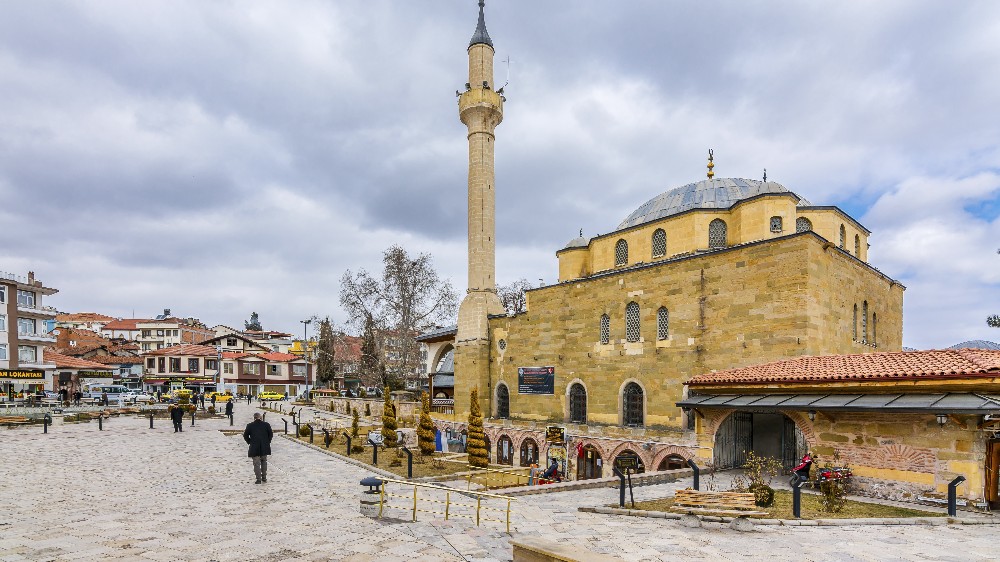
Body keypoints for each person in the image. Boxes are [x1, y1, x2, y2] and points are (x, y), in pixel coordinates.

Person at [243, 412, 273, 484]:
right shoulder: (266, 425)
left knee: (256, 464)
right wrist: (267, 442)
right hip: (264, 446)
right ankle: (264, 478)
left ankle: (258, 479)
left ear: (254, 418)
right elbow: (271, 434)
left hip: (254, 447)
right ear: (260, 417)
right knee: (264, 462)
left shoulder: (250, 425)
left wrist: (250, 442)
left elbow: (245, 436)